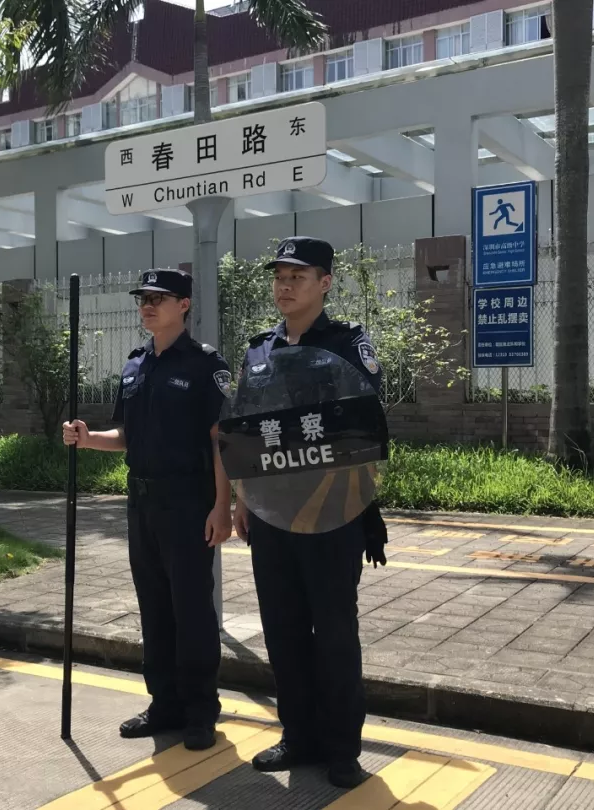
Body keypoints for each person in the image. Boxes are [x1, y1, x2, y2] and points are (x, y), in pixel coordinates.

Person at [233, 236, 389, 789]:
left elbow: (366, 426)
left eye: (297, 276)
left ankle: (342, 749)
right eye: (279, 277)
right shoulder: (258, 351)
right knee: (283, 630)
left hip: (333, 512)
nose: (285, 286)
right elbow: (246, 430)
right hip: (273, 515)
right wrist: (243, 499)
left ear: (325, 283)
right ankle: (298, 736)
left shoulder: (347, 345)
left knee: (335, 633)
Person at [63, 268, 233, 751]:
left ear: (184, 305)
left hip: (188, 503)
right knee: (154, 607)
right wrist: (87, 438)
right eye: (143, 298)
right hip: (141, 503)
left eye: (159, 298)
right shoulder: (136, 365)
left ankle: (199, 710)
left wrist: (222, 505)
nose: (148, 306)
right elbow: (128, 436)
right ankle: (164, 703)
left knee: (192, 610)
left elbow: (220, 440)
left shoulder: (205, 365)